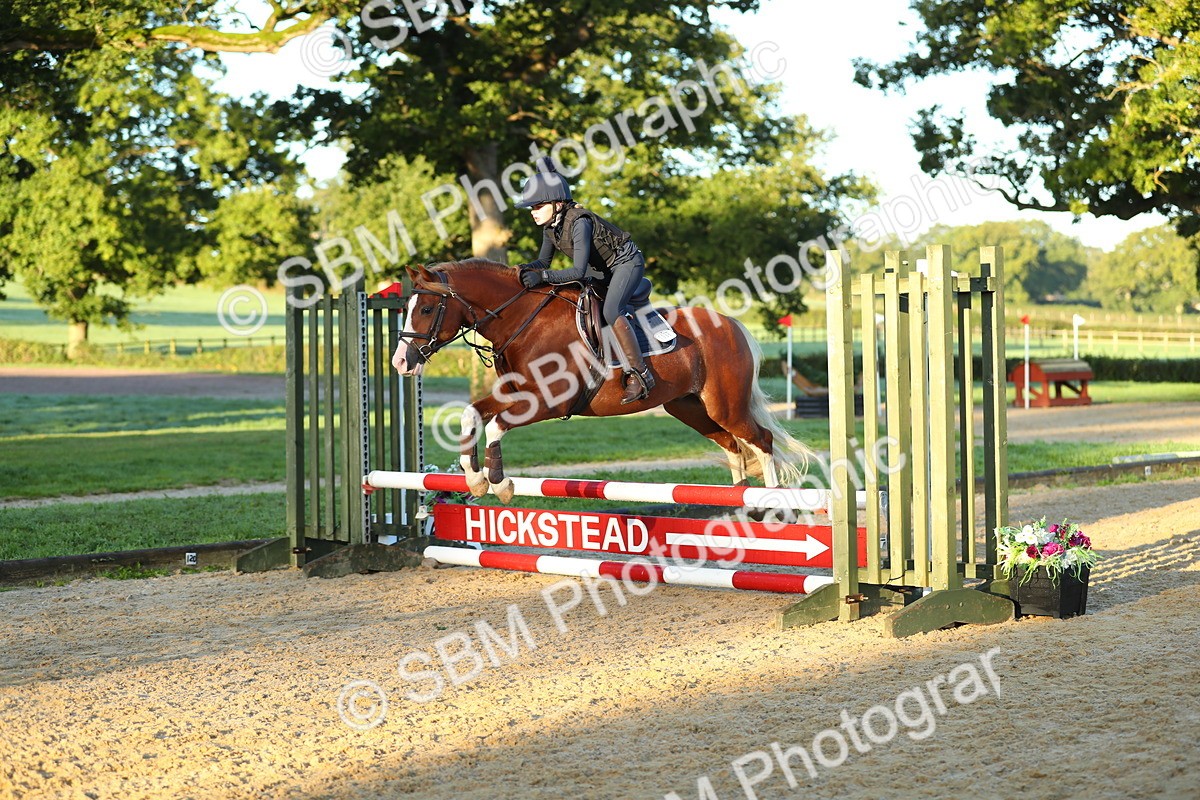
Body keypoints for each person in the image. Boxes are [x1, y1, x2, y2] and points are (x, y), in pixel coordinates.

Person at [513, 158, 655, 404]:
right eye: (531, 207)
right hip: (601, 269)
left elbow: (577, 271)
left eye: (537, 205)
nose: (533, 212)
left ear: (557, 203)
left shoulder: (580, 222)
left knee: (611, 310)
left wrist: (543, 277)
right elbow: (542, 263)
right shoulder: (550, 228)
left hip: (626, 262)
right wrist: (517, 272)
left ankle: (640, 375)